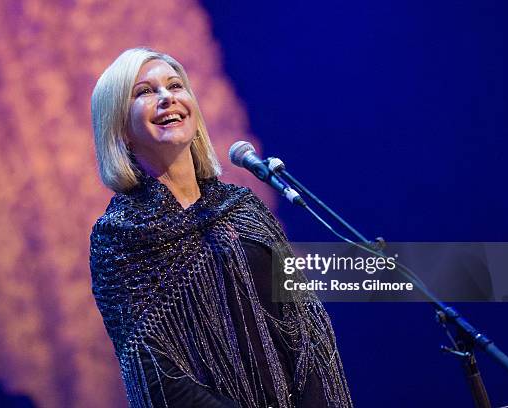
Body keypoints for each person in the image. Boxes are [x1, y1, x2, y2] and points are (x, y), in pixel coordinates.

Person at [89, 47, 352, 408]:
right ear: (121, 128)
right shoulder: (120, 238)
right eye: (145, 92)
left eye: (175, 86)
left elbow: (305, 323)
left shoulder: (243, 208)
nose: (167, 98)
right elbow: (154, 373)